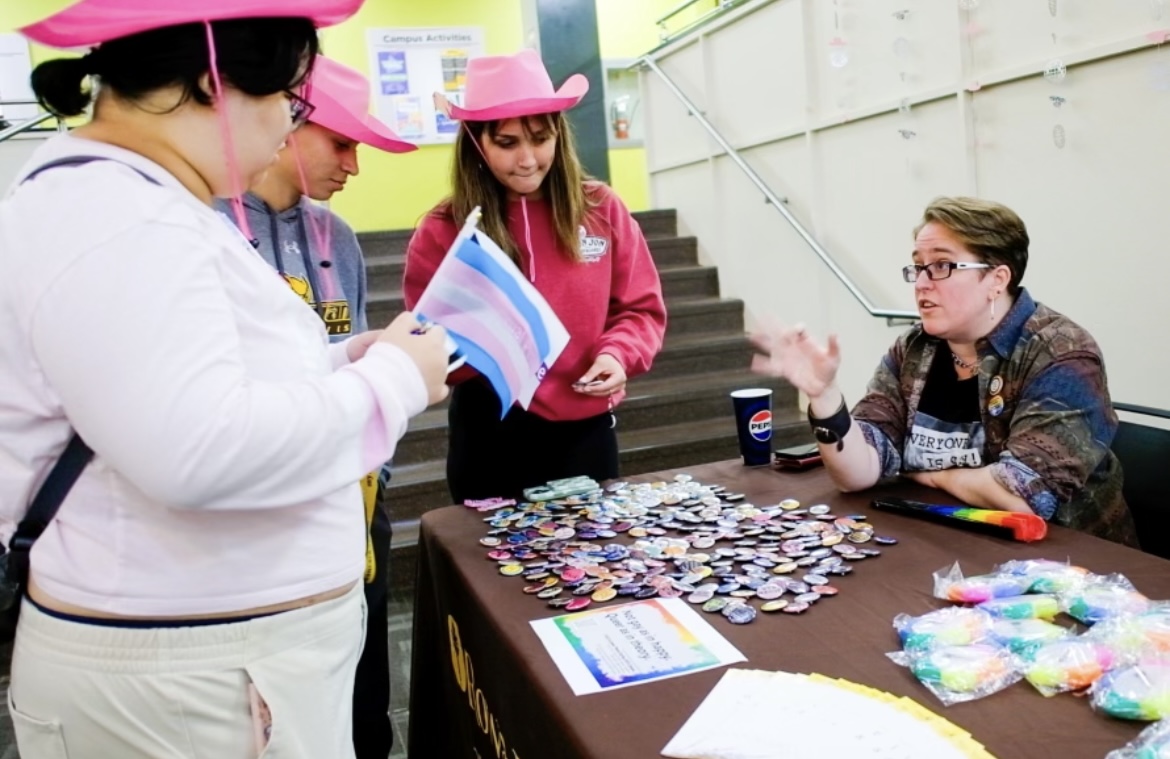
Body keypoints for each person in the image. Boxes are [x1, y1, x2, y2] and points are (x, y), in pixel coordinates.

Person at [0, 3, 449, 758]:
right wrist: (395, 380)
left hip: (205, 678)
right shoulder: (120, 218)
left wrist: (345, 363)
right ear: (214, 80)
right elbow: (202, 448)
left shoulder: (140, 205)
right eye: (291, 100)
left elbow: (187, 392)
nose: (288, 126)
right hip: (183, 690)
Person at [215, 55, 414, 759]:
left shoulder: (342, 241)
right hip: (262, 523)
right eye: (342, 143)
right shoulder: (207, 234)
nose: (354, 166)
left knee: (362, 703)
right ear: (290, 124)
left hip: (356, 503)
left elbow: (353, 350)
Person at [751, 196, 1138, 546]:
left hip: (1074, 566)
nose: (921, 284)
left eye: (941, 266)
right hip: (950, 541)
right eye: (918, 268)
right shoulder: (915, 349)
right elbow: (858, 471)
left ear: (996, 279)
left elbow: (1021, 500)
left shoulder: (1061, 353)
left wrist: (934, 474)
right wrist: (824, 395)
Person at [403, 49, 667, 503]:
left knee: (594, 568)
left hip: (585, 431)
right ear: (475, 141)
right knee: (488, 572)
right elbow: (426, 340)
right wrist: (473, 353)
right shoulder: (443, 228)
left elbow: (641, 310)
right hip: (489, 434)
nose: (527, 159)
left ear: (559, 135)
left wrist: (618, 356)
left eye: (541, 139)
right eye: (507, 143)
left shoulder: (602, 208)